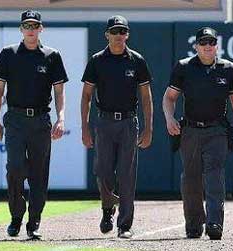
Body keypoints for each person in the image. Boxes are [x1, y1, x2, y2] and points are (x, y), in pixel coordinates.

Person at [163, 27, 233, 240]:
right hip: (190, 131)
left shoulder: (229, 69)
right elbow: (169, 97)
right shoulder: (183, 68)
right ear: (195, 46)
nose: (207, 46)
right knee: (191, 179)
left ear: (217, 46)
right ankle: (194, 225)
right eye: (203, 42)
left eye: (211, 42)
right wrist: (169, 118)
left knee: (214, 176)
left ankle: (214, 223)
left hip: (217, 131)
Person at [0, 10, 68, 239]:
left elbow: (59, 93)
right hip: (14, 120)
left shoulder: (52, 56)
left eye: (35, 25)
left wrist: (61, 117)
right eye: (27, 25)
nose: (31, 29)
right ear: (21, 29)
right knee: (14, 168)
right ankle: (16, 216)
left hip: (41, 122)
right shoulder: (8, 54)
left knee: (39, 174)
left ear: (41, 29)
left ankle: (33, 222)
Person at [81, 15, 153, 239]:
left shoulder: (137, 60)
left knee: (127, 175)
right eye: (115, 31)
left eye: (122, 31)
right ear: (107, 35)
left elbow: (146, 96)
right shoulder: (97, 60)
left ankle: (125, 225)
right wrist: (84, 127)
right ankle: (107, 208)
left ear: (127, 34)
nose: (119, 35)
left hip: (129, 123)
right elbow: (86, 96)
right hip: (104, 122)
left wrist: (148, 128)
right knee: (102, 171)